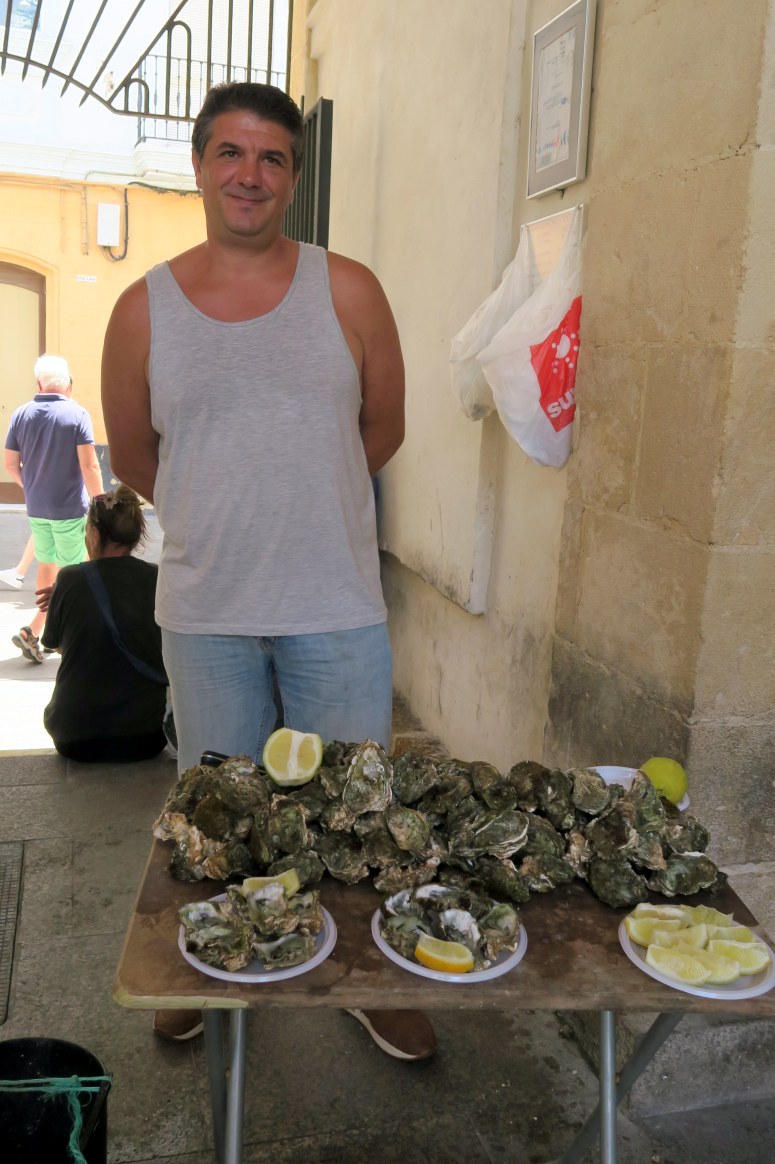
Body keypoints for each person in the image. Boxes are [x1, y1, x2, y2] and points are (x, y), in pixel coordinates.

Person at [101, 81, 432, 1060]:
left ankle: (362, 973)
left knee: (354, 807)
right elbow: (137, 455)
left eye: (272, 157)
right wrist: (225, 509)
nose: (250, 174)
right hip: (208, 607)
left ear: (291, 177)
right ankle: (213, 964)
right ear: (200, 167)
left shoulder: (349, 290)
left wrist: (305, 503)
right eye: (231, 153)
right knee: (215, 809)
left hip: (335, 602)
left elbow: (384, 427)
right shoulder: (142, 310)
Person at [36, 486, 167, 762]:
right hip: (145, 737)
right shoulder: (157, 579)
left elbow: (58, 647)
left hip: (75, 737)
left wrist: (65, 599)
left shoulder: (69, 578)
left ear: (94, 534)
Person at [4, 355, 103, 662]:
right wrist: (102, 502)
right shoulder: (77, 414)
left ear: (39, 383)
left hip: (37, 509)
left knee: (47, 567)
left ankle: (43, 633)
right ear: (68, 385)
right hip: (69, 510)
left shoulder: (21, 414)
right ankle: (47, 633)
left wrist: (32, 487)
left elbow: (10, 464)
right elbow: (89, 466)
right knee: (74, 574)